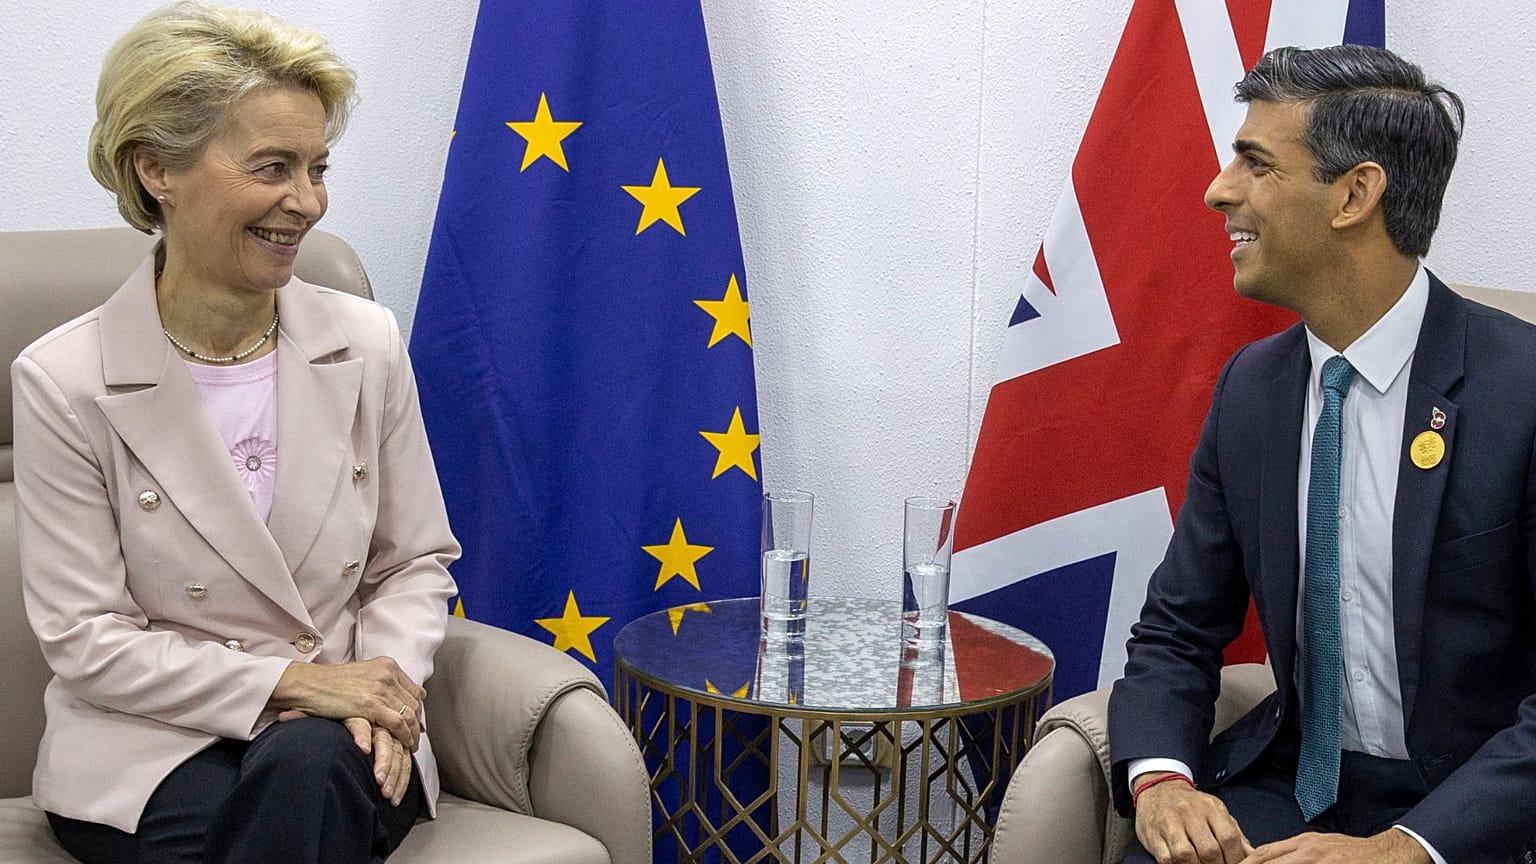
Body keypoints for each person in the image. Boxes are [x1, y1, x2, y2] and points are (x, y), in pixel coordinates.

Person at [11, 3, 459, 862]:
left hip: (344, 741)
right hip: (147, 751)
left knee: (306, 770)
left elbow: (411, 563)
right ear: (156, 169)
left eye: (317, 168)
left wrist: (381, 694)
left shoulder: (365, 343)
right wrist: (298, 682)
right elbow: (86, 638)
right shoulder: (63, 379)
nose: (308, 202)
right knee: (298, 804)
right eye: (272, 167)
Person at [1107, 44, 1536, 864]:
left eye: (1257, 163)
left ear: (1355, 195)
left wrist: (1402, 849)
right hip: (1297, 787)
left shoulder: (1522, 391)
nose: (1218, 190)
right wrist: (1162, 780)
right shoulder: (1253, 388)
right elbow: (1177, 629)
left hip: (1477, 816)